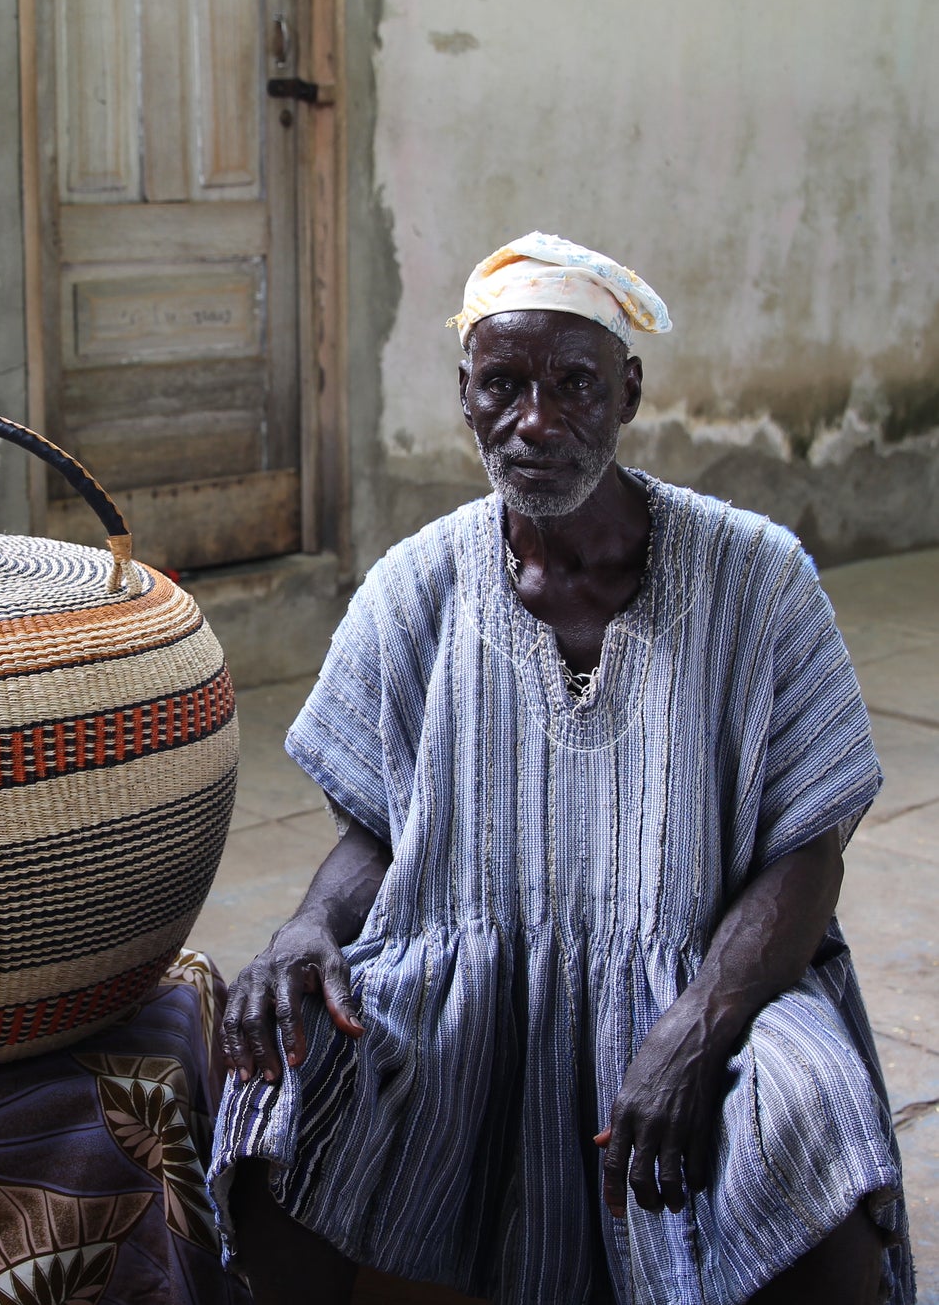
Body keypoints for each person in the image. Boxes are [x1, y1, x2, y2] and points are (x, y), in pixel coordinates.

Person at [208, 233, 912, 1305]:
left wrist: (701, 1018)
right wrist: (308, 924)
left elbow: (806, 848)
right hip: (465, 988)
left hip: (703, 975)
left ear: (626, 391)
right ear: (462, 395)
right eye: (501, 384)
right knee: (284, 1075)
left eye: (572, 383)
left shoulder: (756, 577)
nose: (532, 420)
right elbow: (382, 828)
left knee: (808, 1108)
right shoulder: (417, 584)